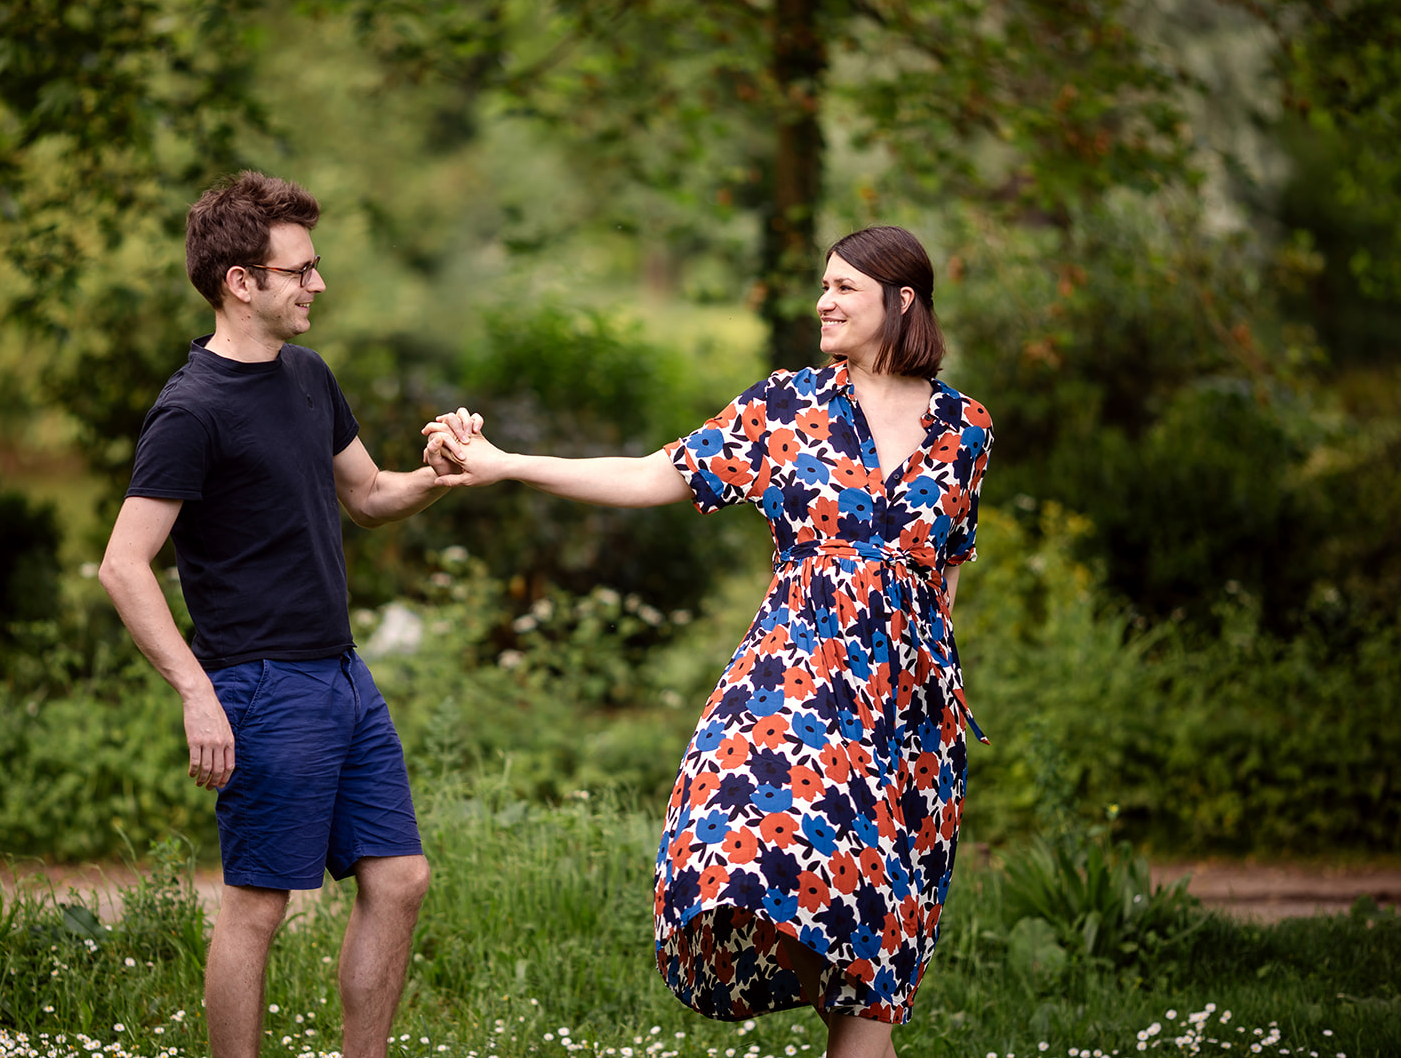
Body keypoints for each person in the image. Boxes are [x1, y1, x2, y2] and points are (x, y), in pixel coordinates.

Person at [423, 226, 993, 1058]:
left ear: (902, 301)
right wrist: (509, 464)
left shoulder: (966, 429)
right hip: (798, 690)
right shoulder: (787, 405)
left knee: (872, 979)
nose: (823, 302)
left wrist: (935, 704)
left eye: (844, 288)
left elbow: (944, 580)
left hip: (909, 722)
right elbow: (657, 472)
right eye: (823, 285)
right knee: (751, 852)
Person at [99, 170, 471, 1058]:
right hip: (261, 685)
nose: (318, 284)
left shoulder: (308, 376)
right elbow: (123, 564)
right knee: (259, 904)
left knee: (401, 876)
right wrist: (197, 691)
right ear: (242, 280)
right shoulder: (191, 410)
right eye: (300, 269)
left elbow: (371, 494)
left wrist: (443, 472)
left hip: (342, 674)